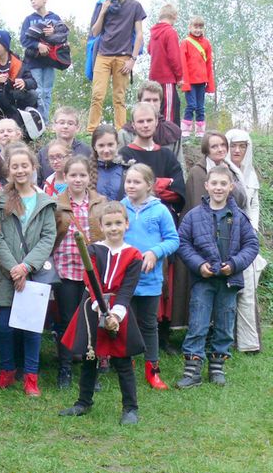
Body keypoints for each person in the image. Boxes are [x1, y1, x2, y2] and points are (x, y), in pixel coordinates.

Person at [58, 202, 144, 425]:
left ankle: (130, 408)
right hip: (93, 307)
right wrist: (99, 307)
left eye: (118, 223)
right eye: (109, 224)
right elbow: (91, 279)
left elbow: (127, 288)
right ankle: (83, 402)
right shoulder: (93, 250)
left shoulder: (134, 255)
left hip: (118, 309)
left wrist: (115, 315)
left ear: (126, 224)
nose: (114, 228)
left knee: (123, 361)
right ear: (101, 226)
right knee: (90, 357)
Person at [176, 166, 259, 388]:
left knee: (224, 325)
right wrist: (199, 265)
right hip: (203, 280)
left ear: (231, 187)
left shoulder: (240, 217)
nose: (218, 188)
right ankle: (192, 370)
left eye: (223, 183)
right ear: (207, 186)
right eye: (214, 183)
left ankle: (217, 367)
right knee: (198, 323)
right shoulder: (193, 216)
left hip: (229, 282)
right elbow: (183, 243)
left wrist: (234, 265)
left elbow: (252, 245)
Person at [0, 147, 56, 396]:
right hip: (6, 272)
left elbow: (48, 237)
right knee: (4, 326)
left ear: (33, 167)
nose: (20, 171)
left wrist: (26, 267)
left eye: (24, 165)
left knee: (32, 329)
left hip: (33, 273)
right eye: (14, 166)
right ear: (8, 170)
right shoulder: (0, 200)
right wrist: (14, 269)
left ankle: (31, 377)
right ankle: (7, 371)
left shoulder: (45, 202)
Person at [121, 164, 179, 390]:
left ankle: (152, 370)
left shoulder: (160, 210)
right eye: (128, 181)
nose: (131, 186)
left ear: (149, 185)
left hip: (150, 279)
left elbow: (173, 239)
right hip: (125, 279)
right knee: (125, 323)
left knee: (148, 325)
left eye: (136, 182)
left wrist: (155, 252)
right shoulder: (120, 207)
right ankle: (126, 364)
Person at [52, 156, 106, 389]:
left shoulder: (100, 203)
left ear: (89, 177)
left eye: (82, 175)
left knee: (90, 318)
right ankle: (64, 368)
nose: (78, 179)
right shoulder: (56, 204)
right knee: (67, 319)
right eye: (73, 175)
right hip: (65, 269)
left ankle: (90, 368)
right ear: (65, 177)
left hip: (91, 271)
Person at [87, 0, 146, 133]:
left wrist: (133, 59)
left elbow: (139, 35)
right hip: (103, 55)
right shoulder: (104, 4)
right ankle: (92, 130)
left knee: (119, 97)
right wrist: (103, 11)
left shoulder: (135, 6)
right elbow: (95, 32)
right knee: (97, 94)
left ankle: (121, 131)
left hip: (124, 57)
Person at [225, 129, 265, 353]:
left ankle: (248, 342)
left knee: (248, 289)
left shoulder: (249, 174)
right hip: (229, 235)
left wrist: (254, 228)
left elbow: (254, 204)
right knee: (228, 288)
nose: (237, 150)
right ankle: (224, 339)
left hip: (247, 237)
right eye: (234, 146)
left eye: (242, 146)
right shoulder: (224, 170)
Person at [118, 104, 185, 215]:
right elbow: (123, 192)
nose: (145, 125)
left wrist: (143, 188)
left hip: (164, 217)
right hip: (133, 216)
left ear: (156, 122)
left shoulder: (167, 155)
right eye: (140, 121)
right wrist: (162, 185)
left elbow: (178, 192)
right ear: (133, 125)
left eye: (149, 120)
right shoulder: (124, 156)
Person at [0, 30, 39, 125]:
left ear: (5, 46)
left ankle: (28, 120)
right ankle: (15, 121)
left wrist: (24, 82)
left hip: (11, 95)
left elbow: (33, 82)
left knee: (33, 95)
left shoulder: (17, 61)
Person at [20, 0, 63, 121]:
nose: (33, 1)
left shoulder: (55, 18)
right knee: (37, 91)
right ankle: (39, 120)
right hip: (34, 62)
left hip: (50, 61)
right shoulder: (29, 19)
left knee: (47, 91)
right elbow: (24, 40)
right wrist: (38, 45)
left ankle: (45, 120)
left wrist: (54, 32)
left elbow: (63, 36)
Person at [118, 81, 183, 167]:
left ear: (160, 102)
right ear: (139, 102)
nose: (152, 104)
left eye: (155, 100)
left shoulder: (173, 132)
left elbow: (180, 166)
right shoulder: (125, 134)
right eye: (147, 100)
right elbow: (118, 167)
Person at [180, 16, 215, 138]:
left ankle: (200, 132)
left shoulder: (206, 43)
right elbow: (182, 63)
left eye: (200, 27)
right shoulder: (185, 43)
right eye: (195, 26)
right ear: (190, 27)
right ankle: (185, 130)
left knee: (200, 107)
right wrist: (184, 82)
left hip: (202, 81)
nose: (198, 29)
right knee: (191, 105)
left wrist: (210, 83)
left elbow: (209, 63)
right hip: (190, 81)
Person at [148, 5, 183, 125]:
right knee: (169, 113)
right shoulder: (170, 32)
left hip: (153, 78)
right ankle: (167, 134)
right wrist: (179, 77)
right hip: (167, 78)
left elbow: (149, 50)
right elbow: (174, 57)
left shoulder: (153, 33)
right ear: (174, 17)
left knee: (155, 111)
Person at [37, 107, 92, 182]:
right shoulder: (43, 153)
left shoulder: (86, 151)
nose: (65, 126)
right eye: (62, 123)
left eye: (70, 123)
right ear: (54, 126)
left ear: (77, 127)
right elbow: (38, 181)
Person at [90, 124, 128, 201]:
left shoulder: (127, 171)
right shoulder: (86, 171)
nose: (106, 150)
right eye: (101, 145)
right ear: (95, 147)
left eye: (110, 145)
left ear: (117, 144)